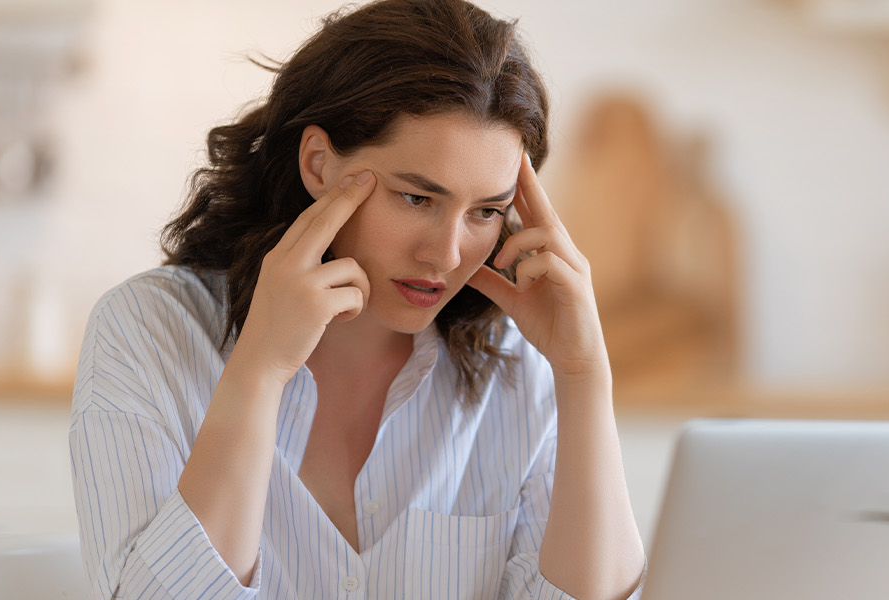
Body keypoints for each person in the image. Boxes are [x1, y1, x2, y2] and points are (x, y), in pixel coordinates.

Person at [67, 1, 648, 598]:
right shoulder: (148, 333)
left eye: (486, 211)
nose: (446, 255)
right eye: (416, 199)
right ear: (319, 163)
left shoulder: (516, 370)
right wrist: (259, 372)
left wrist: (583, 374)